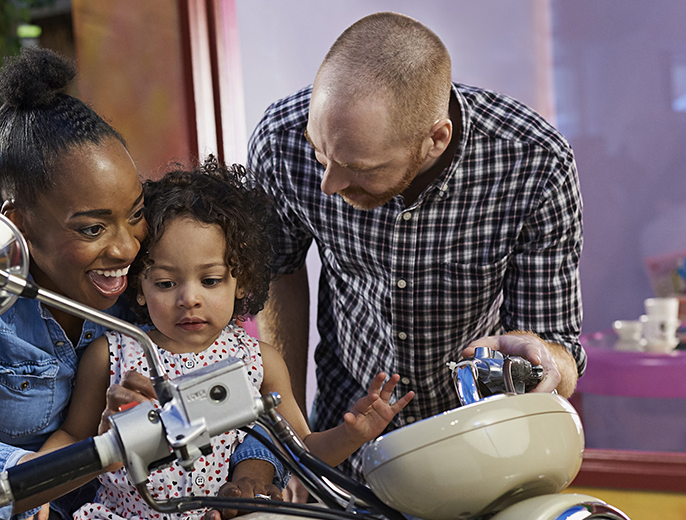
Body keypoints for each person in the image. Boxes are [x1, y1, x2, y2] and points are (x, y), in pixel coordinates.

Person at [0, 49, 280, 520]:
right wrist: (103, 449)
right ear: (21, 224)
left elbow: (231, 399)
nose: (126, 249)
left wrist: (251, 471)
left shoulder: (151, 273)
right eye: (92, 229)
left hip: (112, 497)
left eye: (135, 214)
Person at [246, 12, 587, 477]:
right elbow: (280, 271)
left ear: (435, 139)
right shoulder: (282, 141)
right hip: (347, 425)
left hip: (483, 442)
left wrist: (544, 362)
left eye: (361, 168)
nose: (329, 183)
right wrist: (296, 442)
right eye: (321, 152)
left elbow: (558, 346)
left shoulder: (534, 163)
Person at [33, 160, 412, 520]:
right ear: (139, 287)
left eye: (210, 280)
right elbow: (72, 436)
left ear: (241, 280)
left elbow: (301, 452)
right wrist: (35, 488)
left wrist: (352, 434)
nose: (189, 298)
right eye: (166, 283)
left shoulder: (258, 361)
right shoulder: (111, 354)